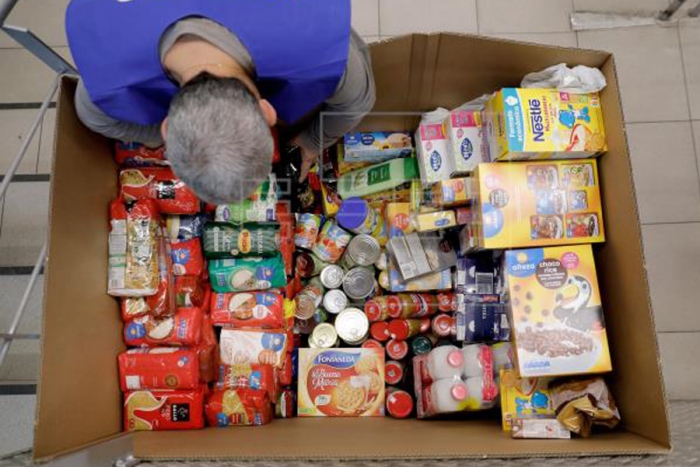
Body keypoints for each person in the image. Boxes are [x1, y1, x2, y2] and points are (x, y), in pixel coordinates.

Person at [66, 0, 375, 204]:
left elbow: (358, 98)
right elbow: (90, 113)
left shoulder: (313, 45)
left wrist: (310, 144)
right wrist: (308, 142)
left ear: (167, 126)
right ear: (268, 110)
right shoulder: (109, 76)